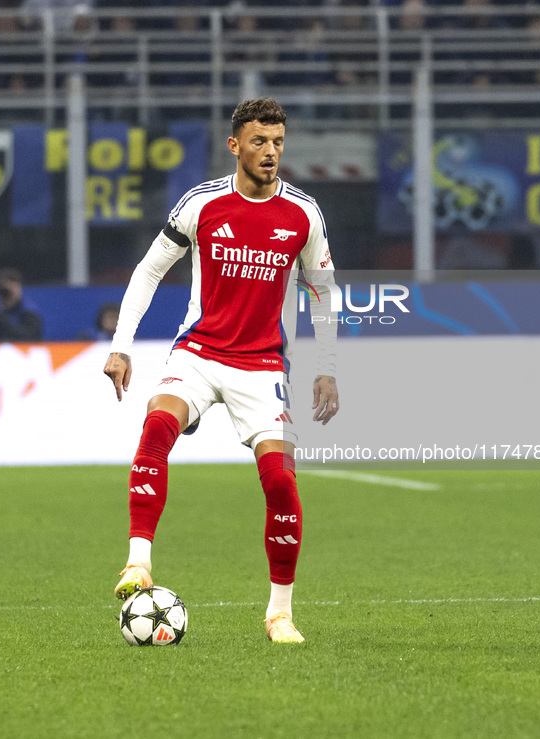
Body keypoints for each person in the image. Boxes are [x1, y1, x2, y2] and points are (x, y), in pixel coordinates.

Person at [103, 97, 339, 643]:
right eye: (259, 142)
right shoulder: (202, 204)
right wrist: (121, 346)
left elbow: (323, 292)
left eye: (278, 142)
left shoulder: (303, 214)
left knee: (280, 480)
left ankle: (280, 612)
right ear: (234, 145)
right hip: (200, 352)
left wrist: (326, 367)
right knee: (157, 426)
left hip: (262, 366)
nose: (270, 152)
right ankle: (138, 562)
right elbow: (148, 271)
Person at [0, 267, 43, 342]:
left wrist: (0, 318)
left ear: (19, 288)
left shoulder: (29, 314)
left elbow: (30, 337)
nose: (5, 296)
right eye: (3, 292)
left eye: (7, 292)